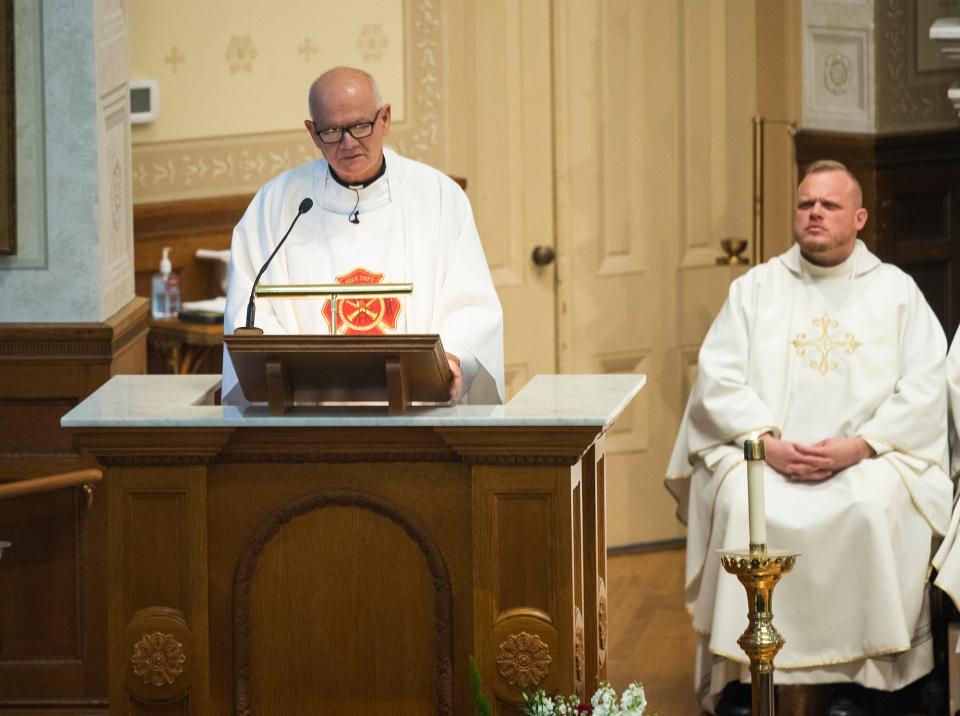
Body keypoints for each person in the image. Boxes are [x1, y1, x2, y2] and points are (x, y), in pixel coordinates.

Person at [666, 160, 951, 715]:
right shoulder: (755, 289)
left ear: (860, 218)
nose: (814, 213)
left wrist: (862, 445)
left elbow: (925, 387)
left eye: (829, 205)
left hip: (864, 460)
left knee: (874, 505)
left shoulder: (896, 292)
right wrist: (764, 443)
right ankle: (746, 683)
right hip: (768, 459)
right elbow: (717, 380)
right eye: (805, 204)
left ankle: (869, 683)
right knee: (739, 503)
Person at [221, 67, 504, 405]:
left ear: (385, 119)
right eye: (332, 131)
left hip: (418, 415)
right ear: (312, 132)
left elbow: (471, 303)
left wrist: (454, 357)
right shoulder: (276, 205)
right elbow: (249, 313)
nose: (348, 142)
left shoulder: (438, 197)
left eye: (359, 126)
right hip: (306, 420)